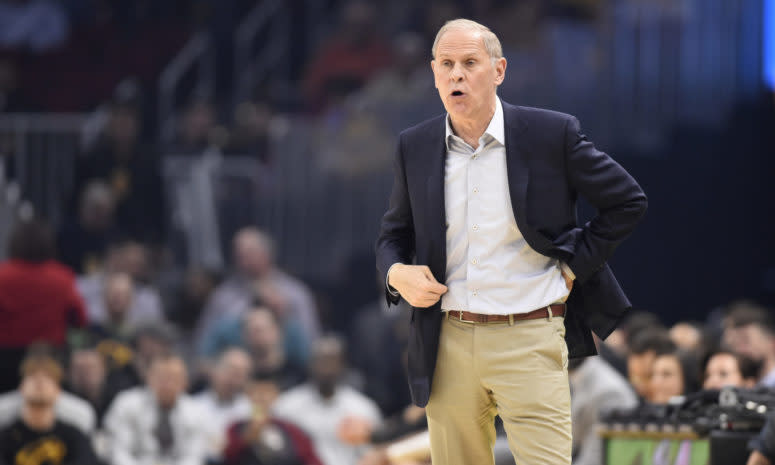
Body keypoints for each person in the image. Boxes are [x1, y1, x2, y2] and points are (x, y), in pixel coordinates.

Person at [375, 19, 647, 465]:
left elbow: (628, 201)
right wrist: (396, 273)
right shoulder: (415, 145)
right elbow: (393, 235)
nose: (456, 75)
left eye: (469, 63)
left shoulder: (549, 134)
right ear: (434, 73)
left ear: (499, 70)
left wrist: (576, 263)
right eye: (446, 64)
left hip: (530, 334)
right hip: (448, 340)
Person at [0, 219, 88, 392]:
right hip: (51, 359)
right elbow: (79, 319)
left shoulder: (3, 277)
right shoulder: (62, 277)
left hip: (5, 360)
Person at [272, 337, 382, 465]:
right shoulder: (286, 408)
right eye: (321, 361)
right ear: (311, 364)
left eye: (332, 362)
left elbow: (374, 453)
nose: (326, 368)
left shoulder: (362, 408)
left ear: (342, 366)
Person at [103, 354, 207, 465]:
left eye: (174, 378)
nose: (168, 384)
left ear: (185, 382)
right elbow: (118, 451)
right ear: (148, 378)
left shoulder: (196, 412)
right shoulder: (126, 404)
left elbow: (195, 456)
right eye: (162, 378)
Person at [0, 353, 98, 465]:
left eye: (48, 377)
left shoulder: (74, 437)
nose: (40, 381)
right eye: (32, 376)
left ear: (58, 391)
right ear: (21, 388)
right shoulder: (5, 438)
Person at [223, 373, 324, 465]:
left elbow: (310, 458)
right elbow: (227, 457)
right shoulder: (236, 428)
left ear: (275, 396)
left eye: (266, 392)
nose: (261, 398)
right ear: (248, 396)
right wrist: (245, 440)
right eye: (256, 392)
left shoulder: (290, 430)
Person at [192, 348, 253, 463]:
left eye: (240, 375)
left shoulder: (249, 412)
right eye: (230, 371)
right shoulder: (193, 406)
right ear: (215, 370)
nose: (233, 380)